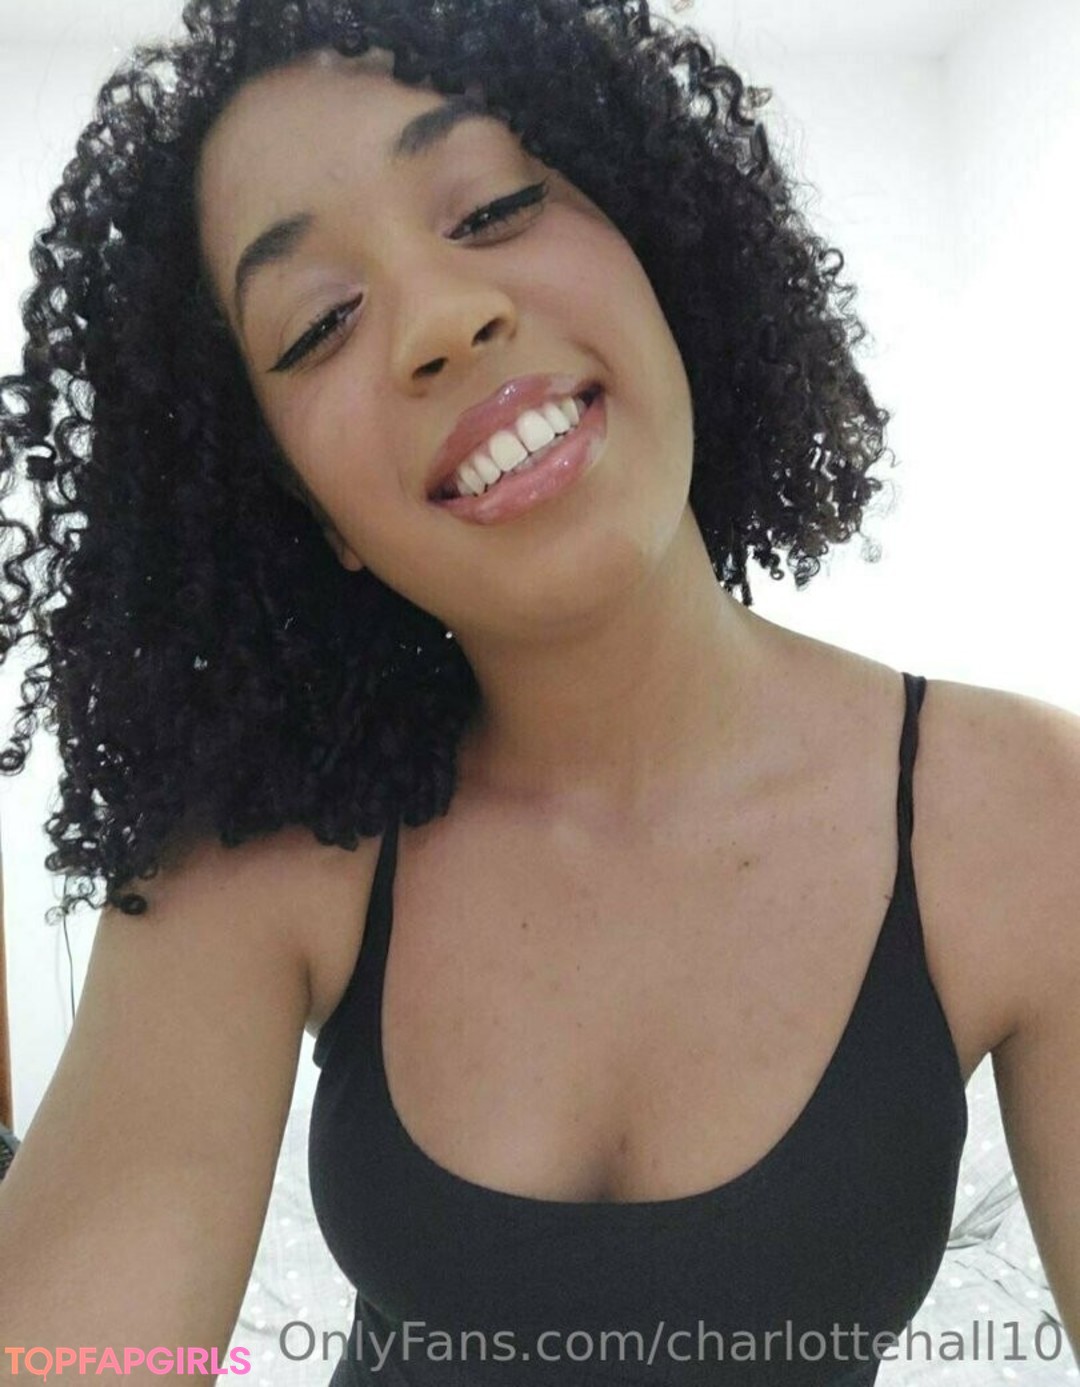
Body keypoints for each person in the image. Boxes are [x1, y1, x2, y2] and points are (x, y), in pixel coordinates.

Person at [0, 0, 1077, 1382]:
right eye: (321, 324)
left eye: (495, 209)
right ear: (305, 512)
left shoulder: (1027, 811)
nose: (445, 322)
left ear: (657, 250)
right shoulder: (262, 852)